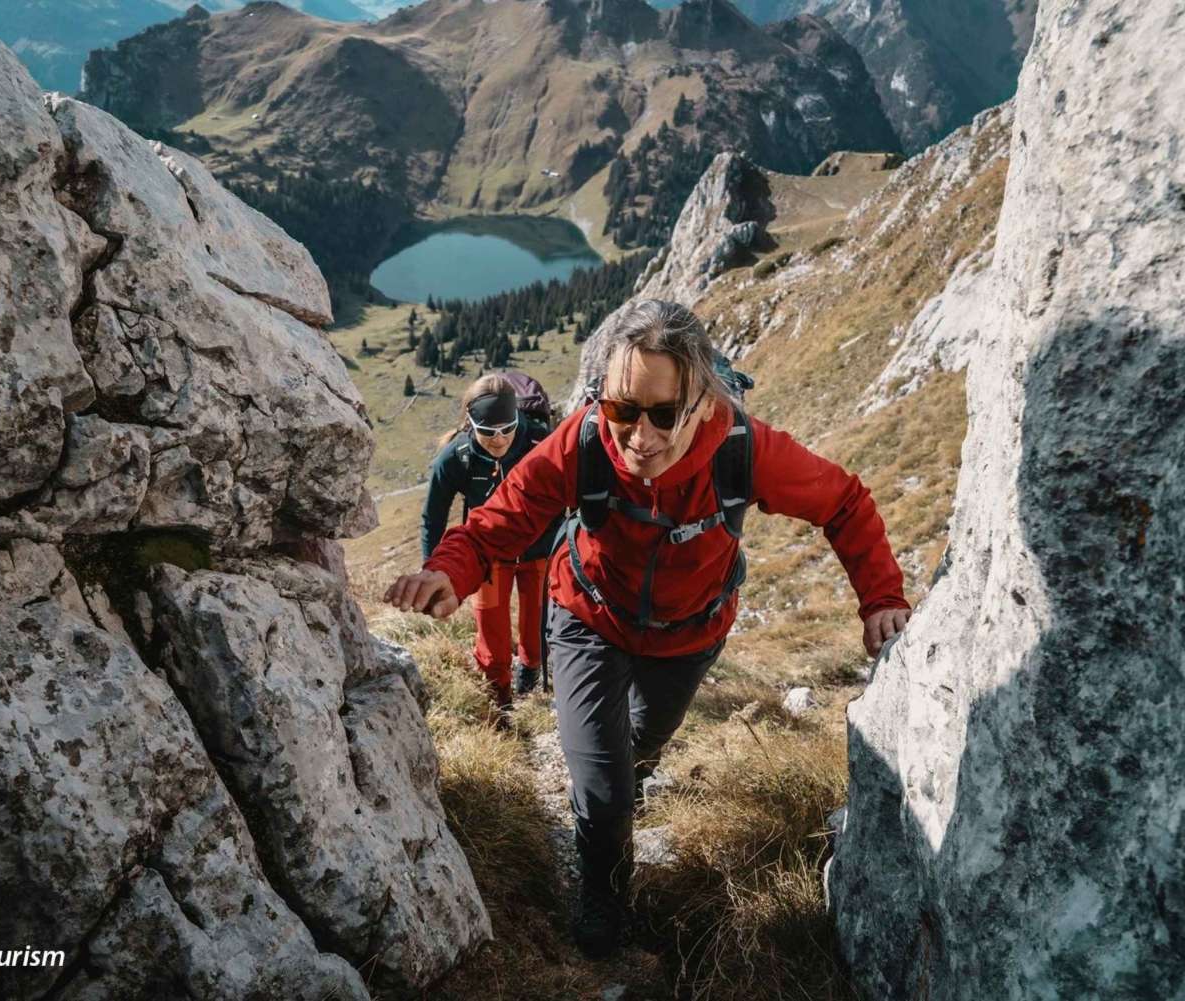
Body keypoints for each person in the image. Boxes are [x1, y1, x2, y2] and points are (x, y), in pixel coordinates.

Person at [386, 300, 912, 959]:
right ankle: (605, 892)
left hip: (687, 639)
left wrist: (881, 597)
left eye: (663, 413)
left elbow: (843, 502)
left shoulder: (743, 449)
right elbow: (504, 517)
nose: (639, 435)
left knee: (638, 750)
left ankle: (621, 797)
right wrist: (449, 570)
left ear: (699, 401)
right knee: (603, 784)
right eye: (622, 409)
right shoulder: (581, 441)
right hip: (586, 619)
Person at [421, 375, 561, 713]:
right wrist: (433, 573)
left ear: (518, 417)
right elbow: (434, 518)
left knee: (536, 627)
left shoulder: (541, 441)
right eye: (488, 432)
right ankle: (500, 694)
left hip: (540, 551)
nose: (499, 439)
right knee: (492, 633)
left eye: (507, 427)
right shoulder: (455, 457)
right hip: (489, 558)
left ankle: (529, 670)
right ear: (470, 423)